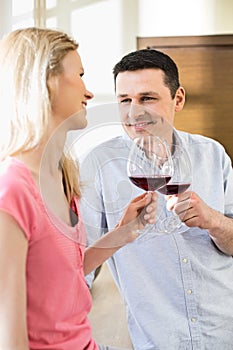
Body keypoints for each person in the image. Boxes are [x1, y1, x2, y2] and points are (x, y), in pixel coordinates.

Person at [0, 28, 157, 350]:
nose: (88, 92)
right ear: (47, 82)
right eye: (81, 75)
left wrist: (125, 231)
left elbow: (65, 275)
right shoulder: (12, 192)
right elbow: (10, 338)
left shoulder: (62, 177)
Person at [79, 48, 233, 350]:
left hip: (225, 331)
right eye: (125, 100)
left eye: (147, 98)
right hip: (159, 341)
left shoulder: (212, 154)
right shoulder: (98, 165)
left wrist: (213, 221)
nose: (134, 112)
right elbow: (78, 268)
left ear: (178, 99)